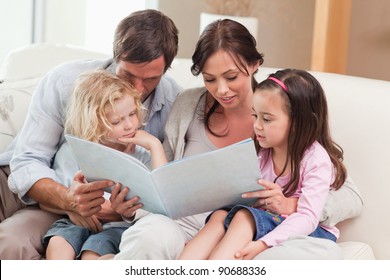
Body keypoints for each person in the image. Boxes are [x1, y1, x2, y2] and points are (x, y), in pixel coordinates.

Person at [113, 19, 363, 260]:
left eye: (231, 77)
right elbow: (162, 182)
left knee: (315, 254)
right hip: (185, 226)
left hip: (244, 227)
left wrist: (294, 204)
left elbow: (349, 195)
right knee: (150, 236)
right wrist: (131, 207)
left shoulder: (282, 112)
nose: (221, 89)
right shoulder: (186, 105)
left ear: (255, 64)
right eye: (209, 79)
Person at [0, 9, 180, 259]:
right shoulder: (65, 82)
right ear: (116, 57)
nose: (137, 90)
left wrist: (119, 212)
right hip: (52, 194)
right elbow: (29, 161)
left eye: (150, 79)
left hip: (119, 219)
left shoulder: (174, 102)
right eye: (128, 75)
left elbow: (167, 189)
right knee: (11, 242)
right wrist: (70, 201)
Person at [178, 69, 346, 259]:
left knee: (244, 216)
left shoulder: (316, 159)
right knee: (220, 215)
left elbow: (308, 217)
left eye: (266, 119)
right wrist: (206, 239)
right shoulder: (261, 150)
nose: (257, 125)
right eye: (255, 116)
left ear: (298, 123)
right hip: (263, 219)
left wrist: (264, 243)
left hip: (306, 229)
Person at [42, 70, 167, 260]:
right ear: (93, 123)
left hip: (118, 228)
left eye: (132, 114)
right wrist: (72, 205)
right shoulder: (74, 151)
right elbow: (56, 200)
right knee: (60, 239)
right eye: (116, 121)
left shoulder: (142, 153)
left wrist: (155, 145)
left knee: (95, 250)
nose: (129, 125)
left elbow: (162, 194)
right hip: (77, 221)